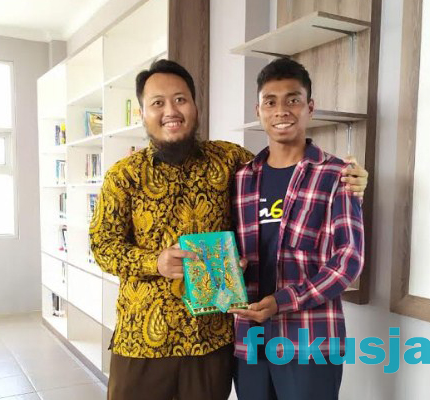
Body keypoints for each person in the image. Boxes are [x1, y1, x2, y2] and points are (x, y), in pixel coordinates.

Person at [89, 59, 368, 400]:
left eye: (180, 99)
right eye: (157, 103)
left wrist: (356, 183)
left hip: (213, 342)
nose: (171, 111)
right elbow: (102, 246)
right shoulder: (123, 175)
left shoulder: (230, 162)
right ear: (142, 113)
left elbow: (289, 166)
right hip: (144, 340)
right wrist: (154, 262)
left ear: (195, 106)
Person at [228, 57, 365, 400]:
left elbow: (348, 261)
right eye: (270, 102)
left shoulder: (337, 175)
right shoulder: (242, 178)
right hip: (251, 339)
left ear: (310, 108)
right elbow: (232, 248)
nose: (281, 111)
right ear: (258, 111)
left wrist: (282, 301)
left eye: (293, 100)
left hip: (310, 340)